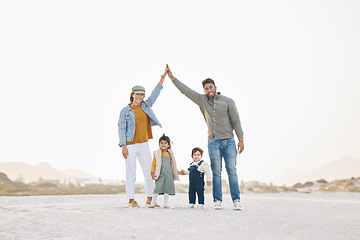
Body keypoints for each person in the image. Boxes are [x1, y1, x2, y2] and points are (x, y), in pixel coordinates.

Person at [167, 66, 244, 210]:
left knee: (232, 171)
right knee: (216, 172)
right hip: (213, 142)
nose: (209, 90)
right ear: (204, 90)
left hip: (229, 141)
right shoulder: (202, 100)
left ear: (215, 87)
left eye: (210, 87)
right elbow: (186, 91)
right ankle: (217, 201)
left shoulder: (228, 101)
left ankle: (236, 200)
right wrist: (172, 78)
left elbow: (236, 121)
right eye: (206, 89)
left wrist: (241, 139)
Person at [118, 65, 168, 208]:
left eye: (142, 95)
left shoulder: (146, 106)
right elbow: (121, 129)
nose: (140, 97)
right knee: (131, 173)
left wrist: (163, 77)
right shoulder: (125, 111)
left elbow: (156, 92)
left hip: (144, 144)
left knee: (149, 172)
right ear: (132, 94)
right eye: (137, 94)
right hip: (130, 145)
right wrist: (123, 146)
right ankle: (131, 200)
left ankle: (149, 199)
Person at [149, 134, 179, 208]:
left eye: (165, 143)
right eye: (161, 143)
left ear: (168, 145)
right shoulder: (157, 153)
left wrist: (177, 172)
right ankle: (152, 203)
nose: (163, 144)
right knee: (157, 188)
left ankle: (165, 204)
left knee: (167, 189)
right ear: (159, 144)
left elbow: (173, 165)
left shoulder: (170, 153)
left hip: (169, 174)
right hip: (160, 174)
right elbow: (154, 164)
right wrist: (152, 172)